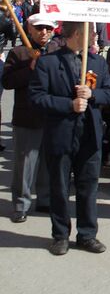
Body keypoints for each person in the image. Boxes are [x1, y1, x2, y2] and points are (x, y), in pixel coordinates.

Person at [29, 21, 110, 255]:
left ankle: (87, 234)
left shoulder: (97, 62)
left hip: (89, 134)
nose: (97, 36)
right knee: (59, 186)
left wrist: (92, 94)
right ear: (79, 33)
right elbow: (37, 97)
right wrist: (69, 104)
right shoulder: (49, 63)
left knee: (88, 187)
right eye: (93, 33)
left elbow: (109, 92)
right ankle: (60, 235)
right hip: (60, 134)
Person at [4, 13, 57, 224]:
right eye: (39, 28)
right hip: (27, 116)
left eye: (48, 29)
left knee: (47, 162)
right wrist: (30, 69)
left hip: (51, 116)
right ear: (30, 29)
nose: (44, 32)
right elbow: (7, 81)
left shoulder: (56, 51)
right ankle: (20, 204)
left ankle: (44, 199)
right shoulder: (19, 52)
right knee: (25, 164)